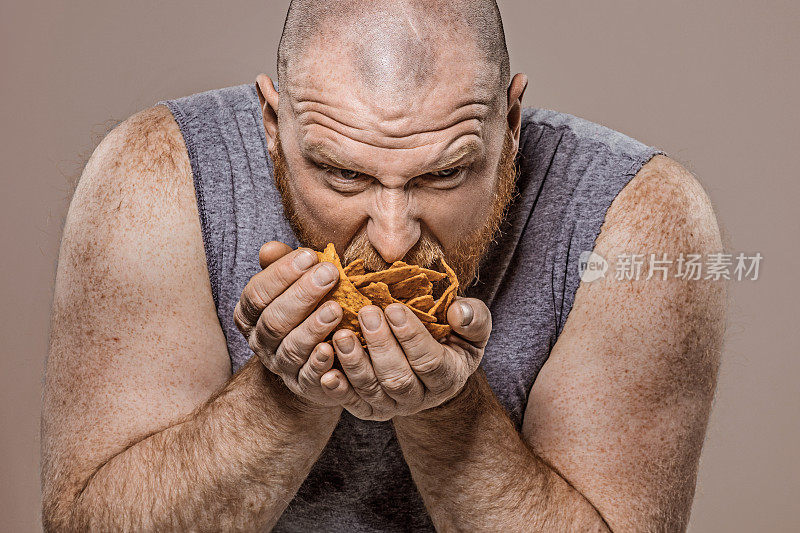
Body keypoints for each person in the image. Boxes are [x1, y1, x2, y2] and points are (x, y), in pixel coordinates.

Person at [41, 0, 726, 531]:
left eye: (446, 173)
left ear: (510, 127)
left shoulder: (638, 219)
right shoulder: (157, 174)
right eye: (341, 172)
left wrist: (448, 411)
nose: (394, 238)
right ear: (274, 131)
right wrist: (284, 395)